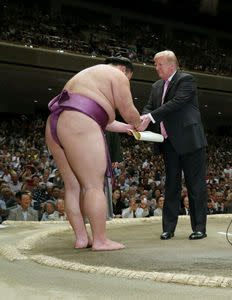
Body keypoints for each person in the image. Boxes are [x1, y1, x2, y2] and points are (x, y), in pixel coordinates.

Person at [44, 56, 142, 250]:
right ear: (123, 70)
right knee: (93, 186)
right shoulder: (117, 75)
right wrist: (140, 122)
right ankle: (100, 240)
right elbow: (130, 112)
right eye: (128, 78)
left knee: (72, 187)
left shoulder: (88, 76)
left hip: (56, 122)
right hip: (80, 121)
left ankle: (82, 238)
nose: (127, 82)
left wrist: (129, 128)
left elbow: (102, 117)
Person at [138, 50, 208, 240]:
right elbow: (149, 107)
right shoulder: (156, 86)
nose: (156, 67)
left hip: (190, 141)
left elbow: (176, 103)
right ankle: (168, 228)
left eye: (159, 64)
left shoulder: (187, 80)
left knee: (196, 186)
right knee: (171, 186)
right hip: (168, 142)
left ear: (171, 65)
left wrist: (150, 116)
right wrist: (144, 117)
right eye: (155, 64)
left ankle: (199, 227)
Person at [105, 130, 123, 220]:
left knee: (105, 186)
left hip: (104, 159)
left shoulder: (108, 124)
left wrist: (115, 158)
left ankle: (107, 214)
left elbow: (113, 133)